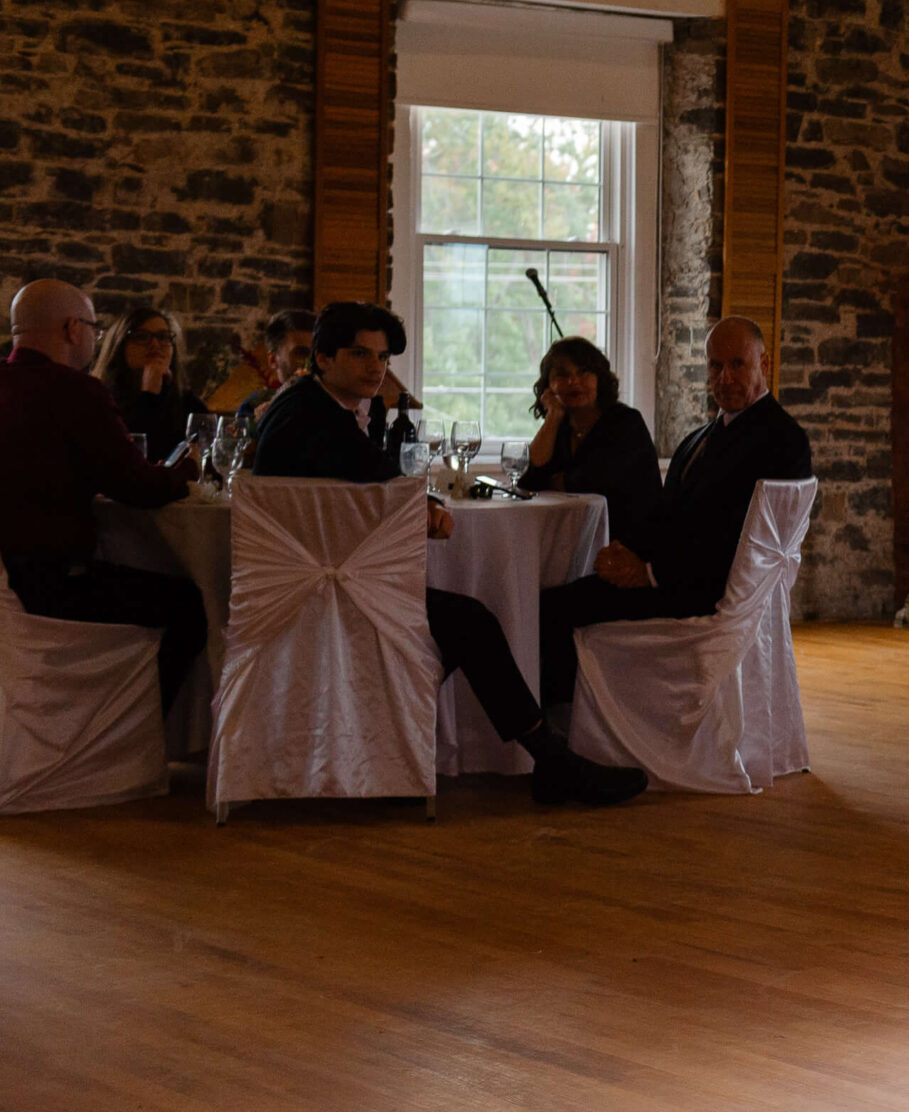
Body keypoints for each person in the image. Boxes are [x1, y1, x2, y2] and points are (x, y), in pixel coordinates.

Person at [255, 301, 646, 808]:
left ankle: (523, 758)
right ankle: (546, 761)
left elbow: (375, 480)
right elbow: (382, 482)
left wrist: (423, 500)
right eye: (360, 354)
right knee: (472, 620)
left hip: (312, 586)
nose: (377, 367)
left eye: (382, 356)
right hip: (322, 595)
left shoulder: (309, 408)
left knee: (467, 621)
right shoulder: (316, 417)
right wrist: (425, 504)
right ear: (323, 360)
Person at [537, 317, 812, 718]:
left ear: (764, 365)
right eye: (715, 366)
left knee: (554, 609)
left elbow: (737, 540)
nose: (725, 377)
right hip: (677, 578)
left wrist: (650, 572)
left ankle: (559, 730)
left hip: (704, 593)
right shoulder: (702, 437)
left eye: (738, 365)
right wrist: (627, 553)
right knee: (558, 598)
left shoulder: (780, 440)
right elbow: (665, 516)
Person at [1, 278, 208, 716]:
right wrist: (190, 468)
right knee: (190, 606)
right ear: (74, 329)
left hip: (9, 579)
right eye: (94, 330)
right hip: (50, 584)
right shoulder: (75, 391)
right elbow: (141, 488)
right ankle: (130, 734)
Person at [519, 336, 662, 541]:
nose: (573, 382)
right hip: (573, 539)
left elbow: (602, 484)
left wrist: (561, 481)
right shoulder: (560, 427)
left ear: (599, 379)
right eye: (562, 375)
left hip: (627, 545)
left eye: (583, 372)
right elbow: (528, 481)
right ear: (549, 386)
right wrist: (553, 417)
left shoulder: (626, 422)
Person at [93, 306, 209, 463]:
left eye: (163, 337)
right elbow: (130, 459)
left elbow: (211, 461)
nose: (155, 344)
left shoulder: (188, 404)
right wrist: (149, 395)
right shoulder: (100, 399)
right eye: (141, 337)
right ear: (120, 345)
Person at [233, 308, 318, 428]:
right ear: (273, 360)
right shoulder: (252, 407)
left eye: (317, 354)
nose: (312, 362)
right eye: (301, 353)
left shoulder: (338, 405)